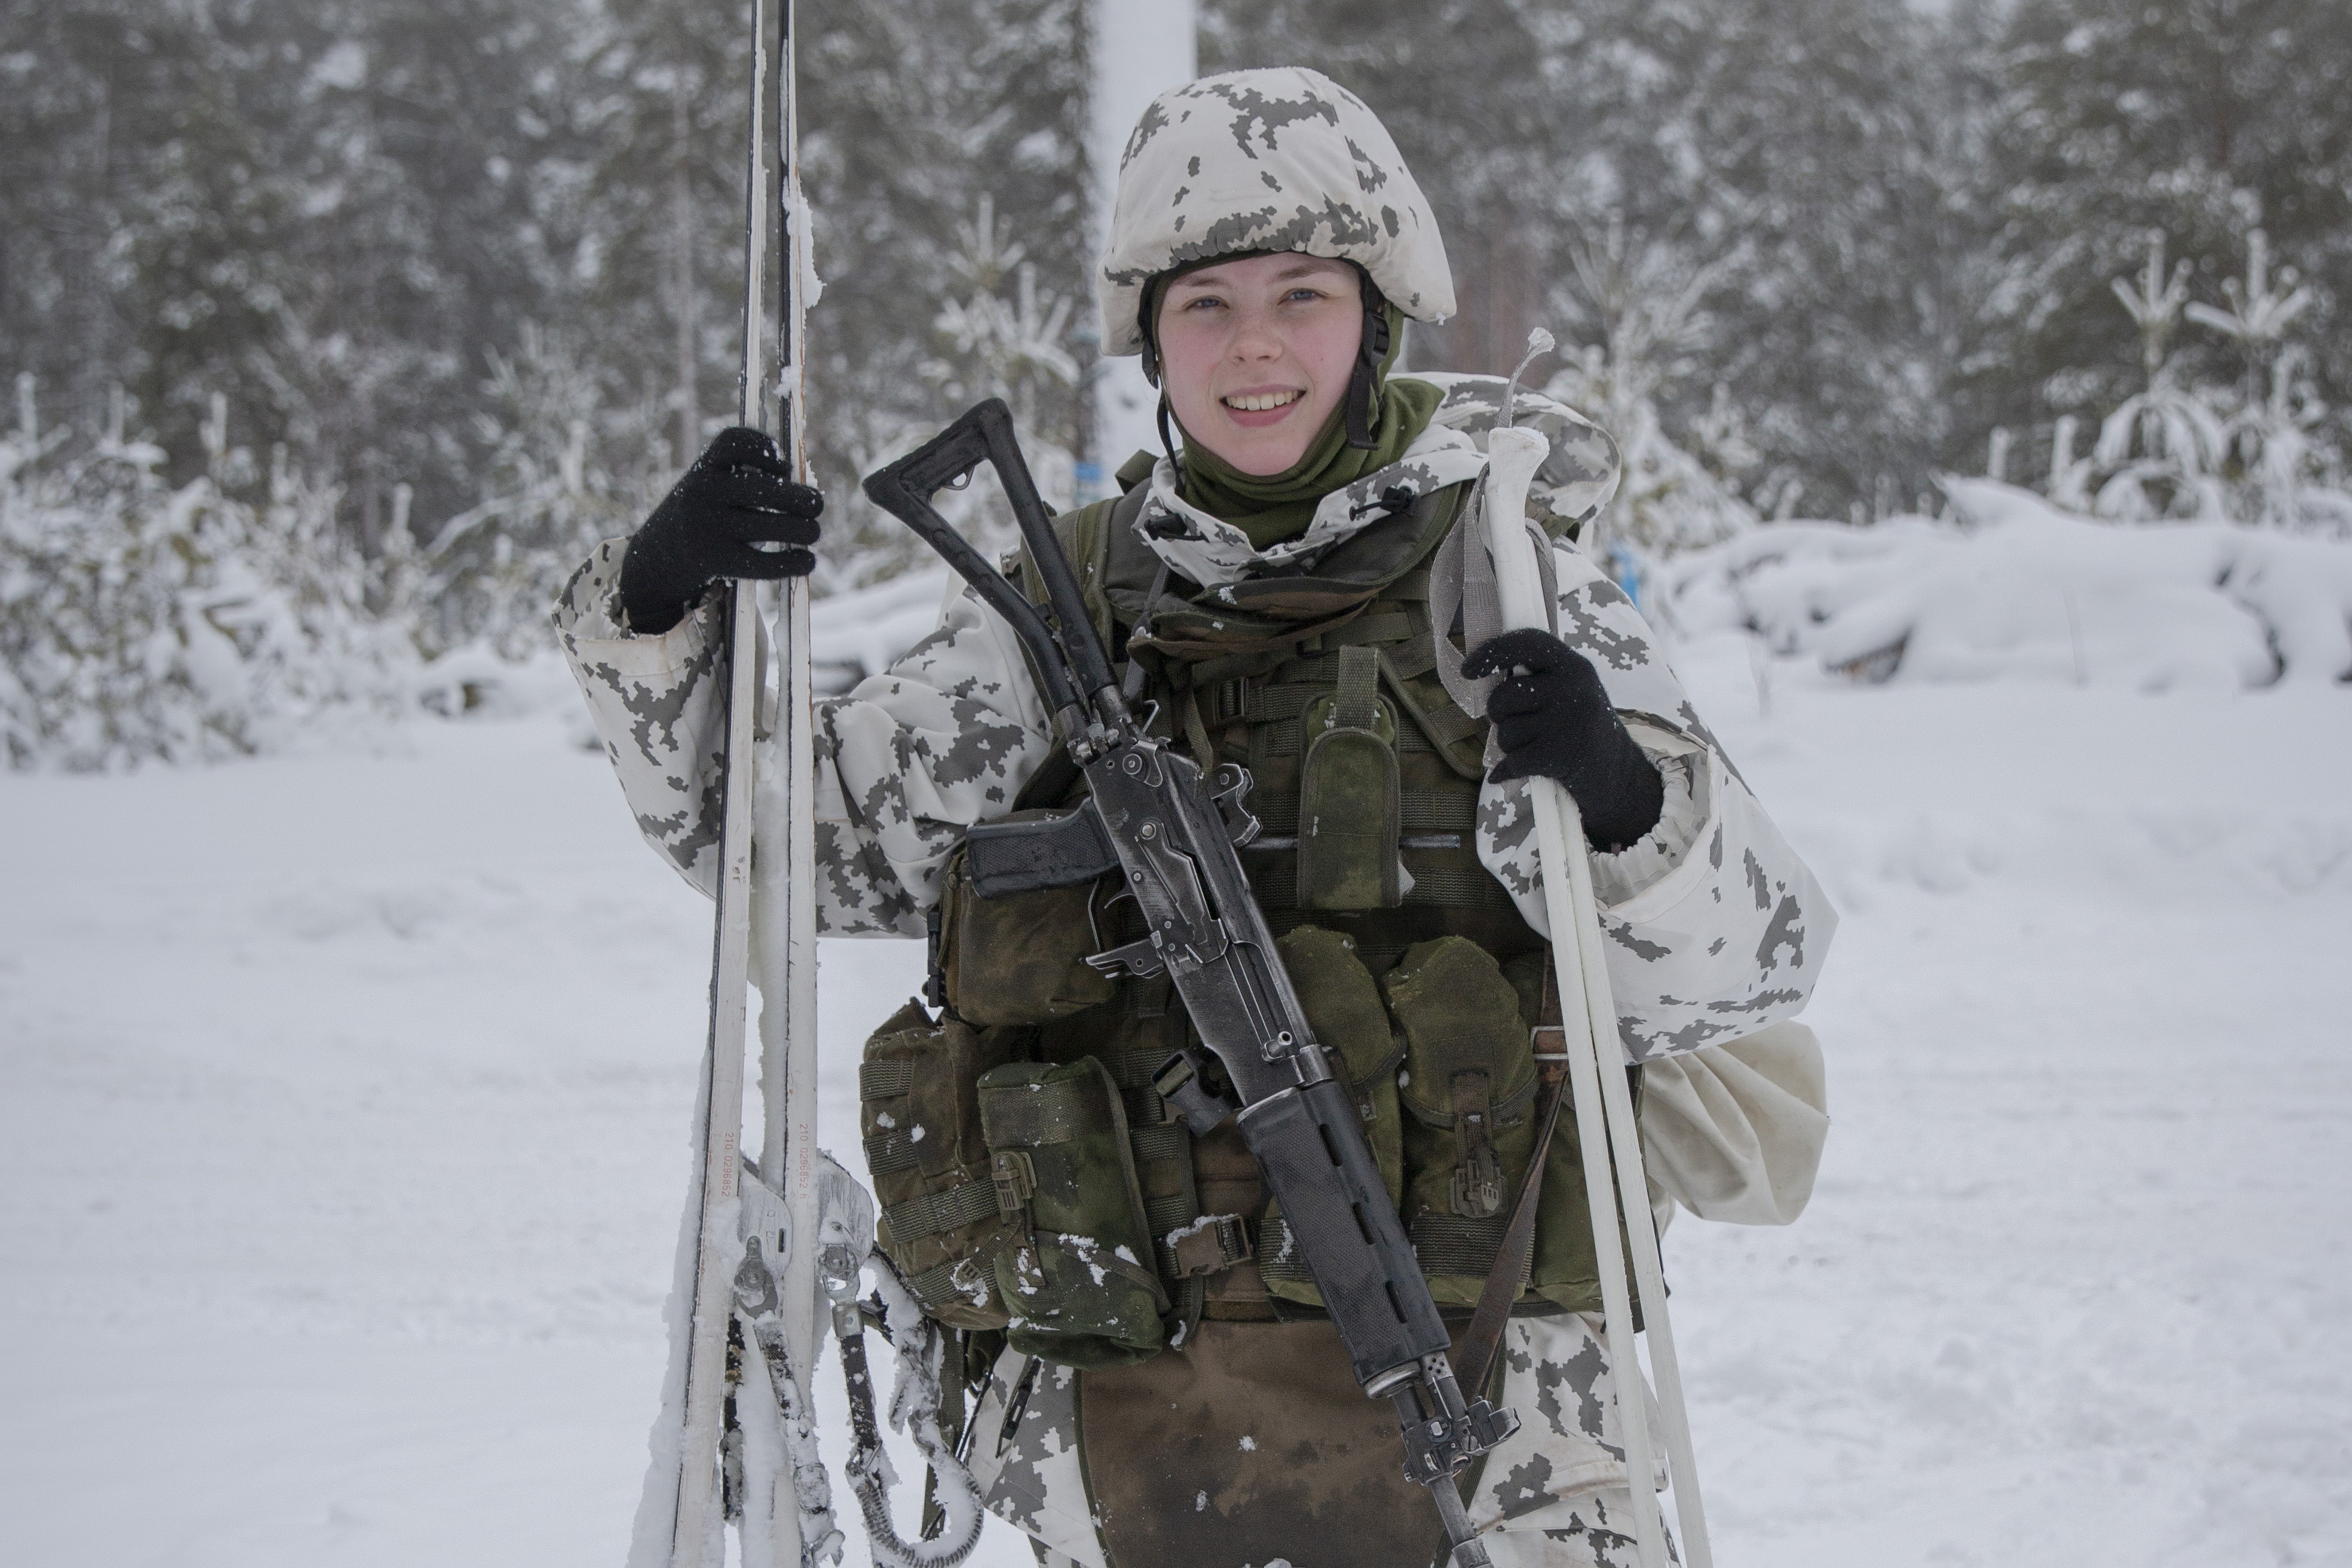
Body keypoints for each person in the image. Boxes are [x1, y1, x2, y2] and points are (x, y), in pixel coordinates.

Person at [557, 65, 1834, 1568]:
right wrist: (661, 604)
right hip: (1128, 1426)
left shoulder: (1501, 583)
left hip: (1502, 1421)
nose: (1256, 347)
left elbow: (1752, 973)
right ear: (1153, 338)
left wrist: (1623, 801)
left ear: (1378, 318)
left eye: (1303, 296)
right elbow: (774, 850)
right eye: (1207, 305)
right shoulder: (1069, 606)